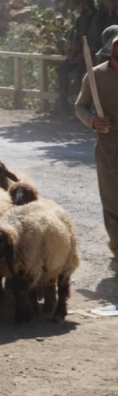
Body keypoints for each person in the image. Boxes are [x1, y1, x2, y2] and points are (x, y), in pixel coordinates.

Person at [76, 25, 118, 257]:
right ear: (110, 48)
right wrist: (92, 121)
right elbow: (80, 106)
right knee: (112, 200)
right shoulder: (95, 76)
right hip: (108, 144)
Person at [58, 0, 104, 112]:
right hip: (80, 54)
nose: (77, 8)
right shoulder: (80, 19)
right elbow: (78, 37)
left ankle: (84, 108)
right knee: (62, 69)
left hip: (94, 55)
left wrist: (85, 55)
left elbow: (98, 42)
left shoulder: (99, 17)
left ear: (84, 4)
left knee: (81, 74)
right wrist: (74, 52)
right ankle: (63, 102)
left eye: (78, 5)